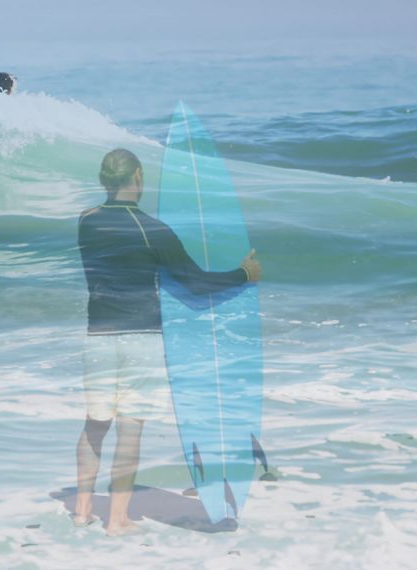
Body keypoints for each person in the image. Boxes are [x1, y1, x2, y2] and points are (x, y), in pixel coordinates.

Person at [74, 148, 261, 536]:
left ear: (103, 180)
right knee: (130, 429)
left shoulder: (85, 222)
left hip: (97, 336)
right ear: (138, 177)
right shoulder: (153, 229)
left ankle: (81, 511)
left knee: (94, 427)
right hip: (140, 337)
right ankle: (118, 520)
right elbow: (196, 283)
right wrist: (243, 274)